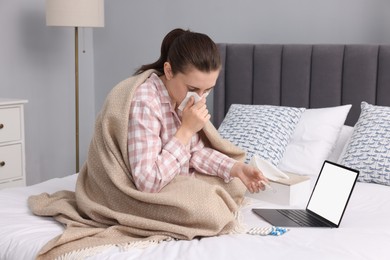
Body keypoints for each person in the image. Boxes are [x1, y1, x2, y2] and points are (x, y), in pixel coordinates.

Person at [128, 28, 268, 193]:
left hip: (176, 183)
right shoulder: (146, 103)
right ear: (168, 71)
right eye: (192, 88)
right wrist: (186, 130)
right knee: (211, 204)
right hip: (150, 192)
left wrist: (236, 168)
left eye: (207, 90)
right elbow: (147, 183)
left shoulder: (181, 98)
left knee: (233, 185)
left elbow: (194, 153)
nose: (200, 99)